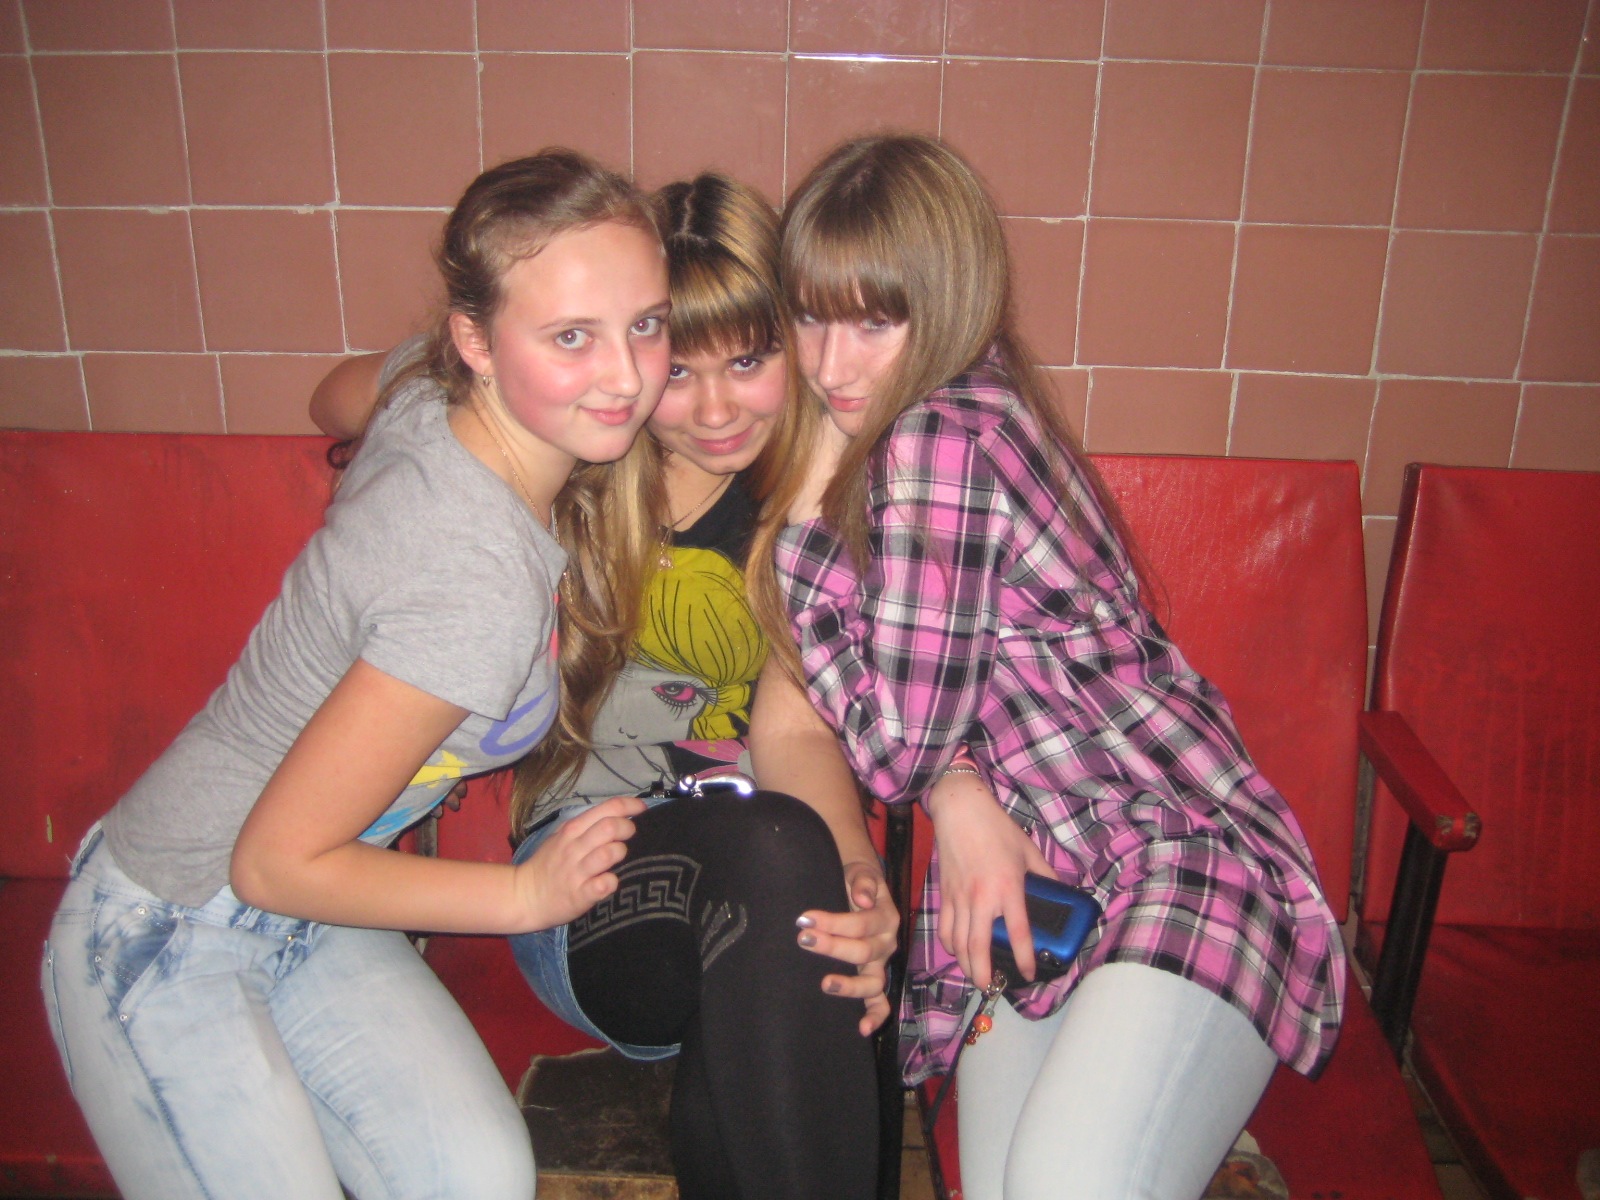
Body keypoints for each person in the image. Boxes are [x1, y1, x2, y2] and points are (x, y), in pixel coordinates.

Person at [41, 149, 672, 1200]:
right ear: (477, 341)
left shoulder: (430, 391)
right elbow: (272, 864)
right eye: (571, 336)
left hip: (315, 917)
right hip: (169, 927)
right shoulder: (474, 581)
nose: (625, 375)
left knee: (477, 1180)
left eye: (646, 324)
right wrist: (525, 894)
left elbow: (333, 393)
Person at [768, 133, 1346, 1200]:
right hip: (1045, 879)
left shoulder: (939, 438)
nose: (830, 365)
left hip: (1172, 864)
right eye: (809, 316)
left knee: (1060, 1182)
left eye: (873, 321)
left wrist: (800, 526)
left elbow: (895, 751)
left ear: (948, 301)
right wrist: (963, 792)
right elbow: (936, 725)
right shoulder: (954, 408)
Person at [316, 173, 893, 1200]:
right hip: (581, 891)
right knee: (781, 874)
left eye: (750, 361)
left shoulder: (810, 500)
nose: (716, 409)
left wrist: (856, 878)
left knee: (824, 943)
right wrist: (425, 379)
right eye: (682, 369)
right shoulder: (573, 442)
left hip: (765, 872)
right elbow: (337, 395)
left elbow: (795, 733)